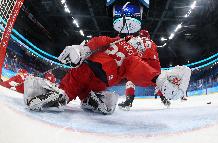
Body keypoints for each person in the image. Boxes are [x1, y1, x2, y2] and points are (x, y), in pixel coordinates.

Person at [24, 30, 191, 115]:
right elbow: (100, 41)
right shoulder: (119, 42)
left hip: (97, 74)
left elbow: (139, 69)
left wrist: (157, 78)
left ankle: (69, 96)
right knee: (76, 84)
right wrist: (83, 49)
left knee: (76, 83)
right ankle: (76, 97)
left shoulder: (132, 57)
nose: (140, 43)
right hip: (96, 72)